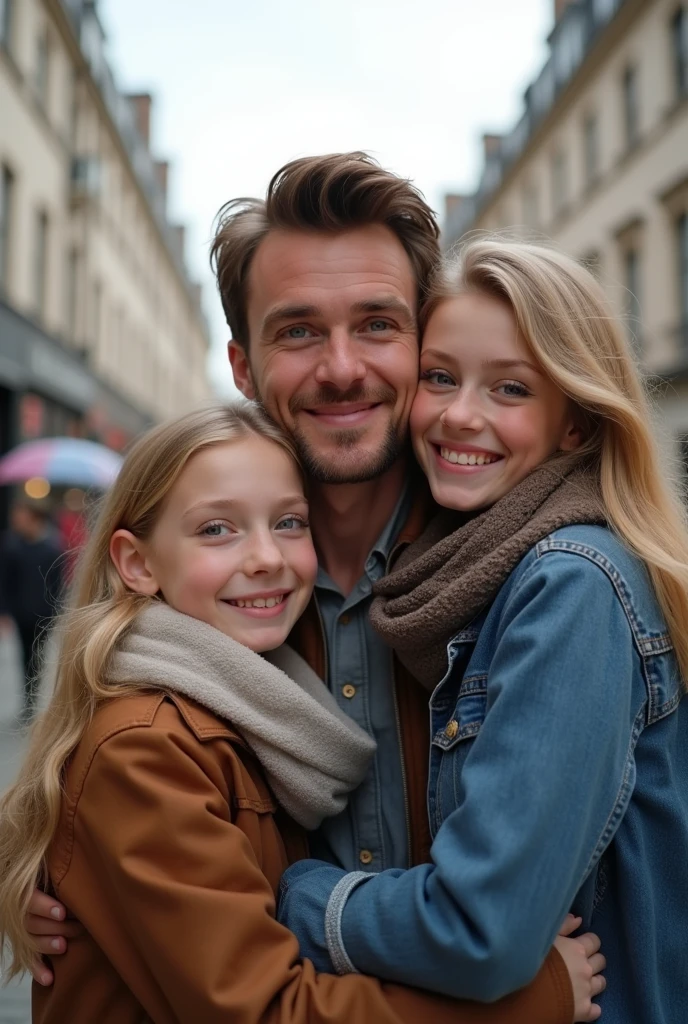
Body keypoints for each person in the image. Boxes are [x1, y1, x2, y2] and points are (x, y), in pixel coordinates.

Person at [24, 154, 599, 1016]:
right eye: (297, 331)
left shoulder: (524, 573)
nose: (340, 368)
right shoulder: (205, 617)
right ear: (244, 366)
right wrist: (54, 863)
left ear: (422, 344)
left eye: (376, 324)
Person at [0, 403, 602, 1023]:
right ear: (138, 563)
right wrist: (535, 999)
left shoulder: (263, 709)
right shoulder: (146, 747)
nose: (266, 557)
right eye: (216, 529)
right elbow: (266, 1010)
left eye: (288, 522)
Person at [276, 239, 688, 1024]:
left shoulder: (572, 585)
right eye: (441, 377)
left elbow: (482, 931)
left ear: (573, 424)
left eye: (509, 388)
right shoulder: (472, 567)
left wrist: (296, 895)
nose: (461, 414)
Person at [0, 499, 64, 721]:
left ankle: (33, 699)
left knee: (37, 657)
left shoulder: (52, 549)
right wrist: (5, 612)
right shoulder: (12, 547)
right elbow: (5, 582)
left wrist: (58, 612)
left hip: (44, 613)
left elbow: (58, 585)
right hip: (21, 613)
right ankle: (28, 700)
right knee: (24, 656)